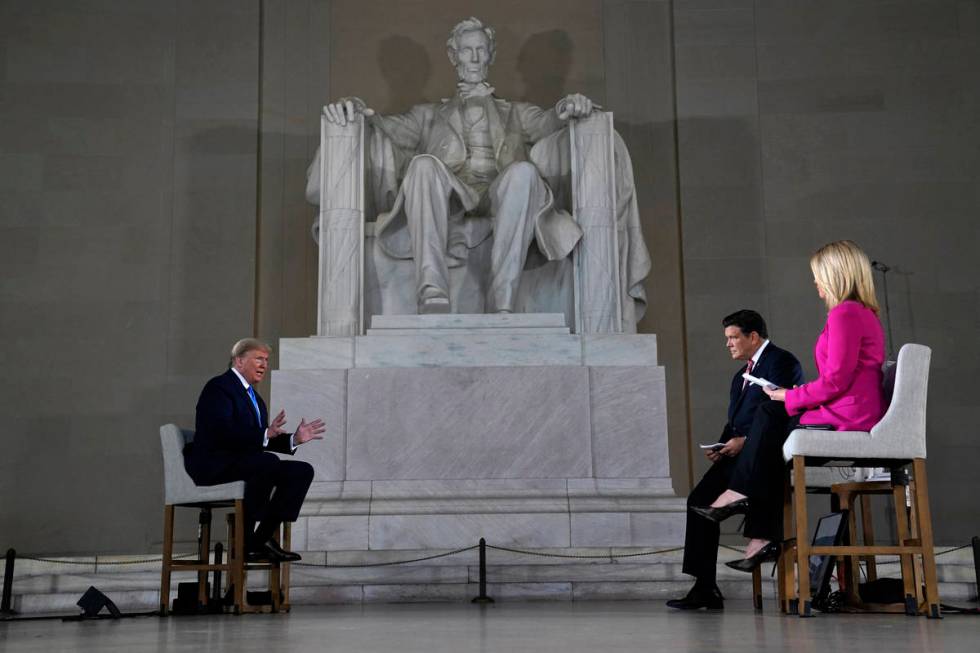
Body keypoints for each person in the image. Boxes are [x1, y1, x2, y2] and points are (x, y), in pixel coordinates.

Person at [310, 17, 650, 319]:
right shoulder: (428, 115)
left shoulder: (515, 112)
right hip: (453, 196)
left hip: (501, 193)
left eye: (480, 50)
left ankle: (502, 297)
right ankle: (432, 289)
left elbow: (549, 122)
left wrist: (568, 105)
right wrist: (354, 108)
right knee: (424, 165)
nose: (474, 58)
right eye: (466, 50)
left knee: (524, 173)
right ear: (453, 56)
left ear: (490, 56)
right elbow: (385, 126)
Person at [694, 240, 886, 574]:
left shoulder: (846, 313)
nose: (815, 284)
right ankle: (758, 535)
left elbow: (836, 380)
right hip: (848, 407)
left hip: (849, 413)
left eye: (818, 276)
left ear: (836, 275)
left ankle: (742, 501)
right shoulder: (859, 313)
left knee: (769, 414)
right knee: (769, 434)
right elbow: (839, 378)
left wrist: (788, 396)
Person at [666, 310, 803, 610]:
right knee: (698, 502)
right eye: (726, 338)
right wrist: (722, 444)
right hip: (737, 454)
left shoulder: (782, 361)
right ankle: (705, 588)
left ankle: (759, 535)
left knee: (715, 498)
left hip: (765, 455)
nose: (728, 344)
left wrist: (746, 442)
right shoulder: (738, 375)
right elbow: (735, 422)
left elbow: (781, 413)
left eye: (733, 337)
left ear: (753, 336)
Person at [184, 339, 326, 562]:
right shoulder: (219, 387)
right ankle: (246, 538)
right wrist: (264, 435)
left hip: (244, 463)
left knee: (301, 471)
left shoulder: (255, 398)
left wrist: (294, 439)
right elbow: (220, 432)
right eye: (259, 359)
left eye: (267, 360)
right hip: (214, 463)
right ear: (239, 361)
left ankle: (259, 539)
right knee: (265, 462)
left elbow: (262, 438)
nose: (264, 365)